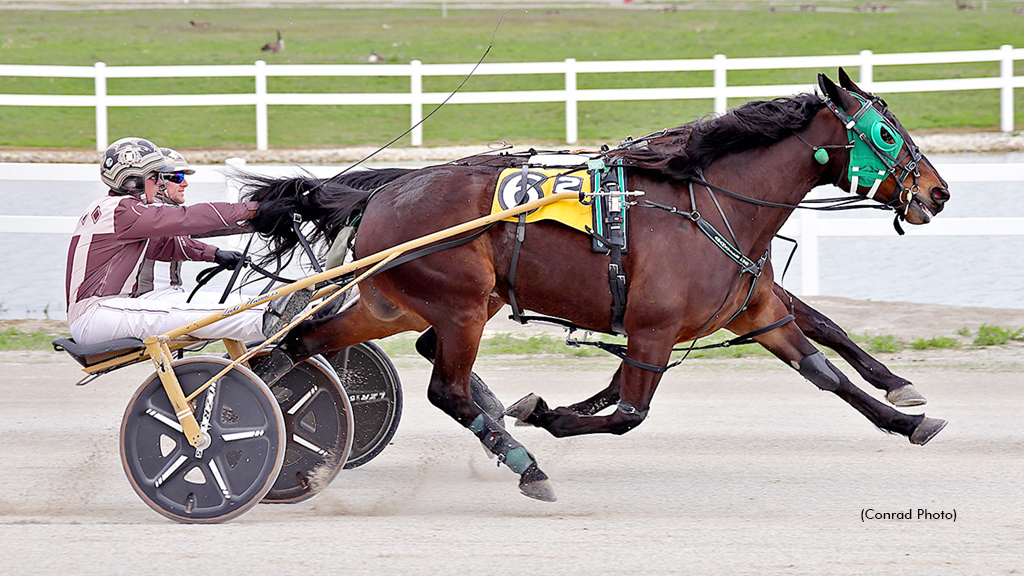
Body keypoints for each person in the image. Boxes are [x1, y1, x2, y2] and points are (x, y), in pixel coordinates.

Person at [65, 137, 308, 346]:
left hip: (105, 313)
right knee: (193, 314)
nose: (161, 183)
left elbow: (167, 245)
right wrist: (254, 209)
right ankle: (272, 320)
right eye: (155, 177)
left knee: (202, 311)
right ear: (134, 179)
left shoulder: (117, 208)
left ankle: (283, 316)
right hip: (97, 314)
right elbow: (188, 218)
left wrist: (218, 250)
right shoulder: (123, 210)